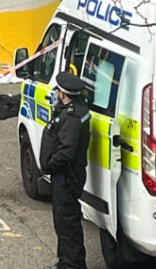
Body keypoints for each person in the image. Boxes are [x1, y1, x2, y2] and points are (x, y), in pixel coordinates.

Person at [40, 71, 91, 269]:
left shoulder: (72, 116)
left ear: (63, 93)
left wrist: (49, 164)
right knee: (63, 221)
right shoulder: (75, 110)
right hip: (68, 174)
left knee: (67, 222)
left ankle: (72, 265)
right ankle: (65, 262)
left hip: (67, 175)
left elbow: (66, 151)